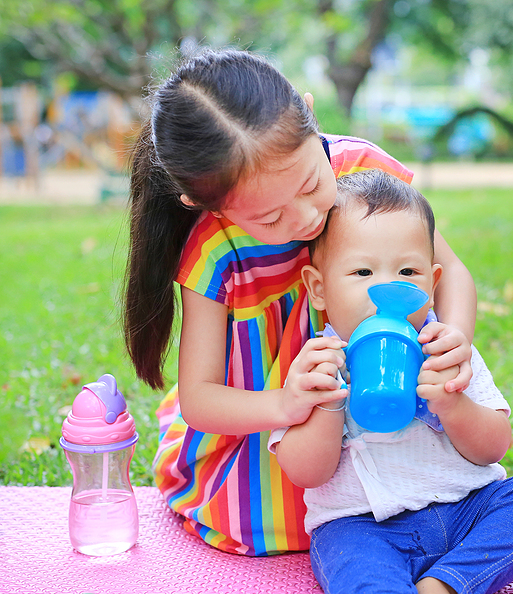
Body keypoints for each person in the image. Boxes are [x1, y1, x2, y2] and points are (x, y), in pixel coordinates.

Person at [123, 48, 477, 556]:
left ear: (311, 115)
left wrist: (455, 336)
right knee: (298, 521)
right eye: (268, 218)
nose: (305, 218)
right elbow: (199, 399)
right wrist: (285, 404)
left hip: (391, 408)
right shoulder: (216, 250)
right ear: (203, 203)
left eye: (311, 183)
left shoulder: (364, 173)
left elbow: (453, 273)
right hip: (270, 429)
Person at [268, 169, 513, 594]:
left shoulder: (446, 350)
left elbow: (494, 448)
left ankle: (445, 583)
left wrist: (452, 404)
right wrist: (328, 403)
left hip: (467, 510)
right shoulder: (314, 364)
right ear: (319, 289)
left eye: (408, 271)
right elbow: (305, 473)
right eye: (363, 273)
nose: (387, 289)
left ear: (432, 283)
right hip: (365, 527)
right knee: (356, 568)